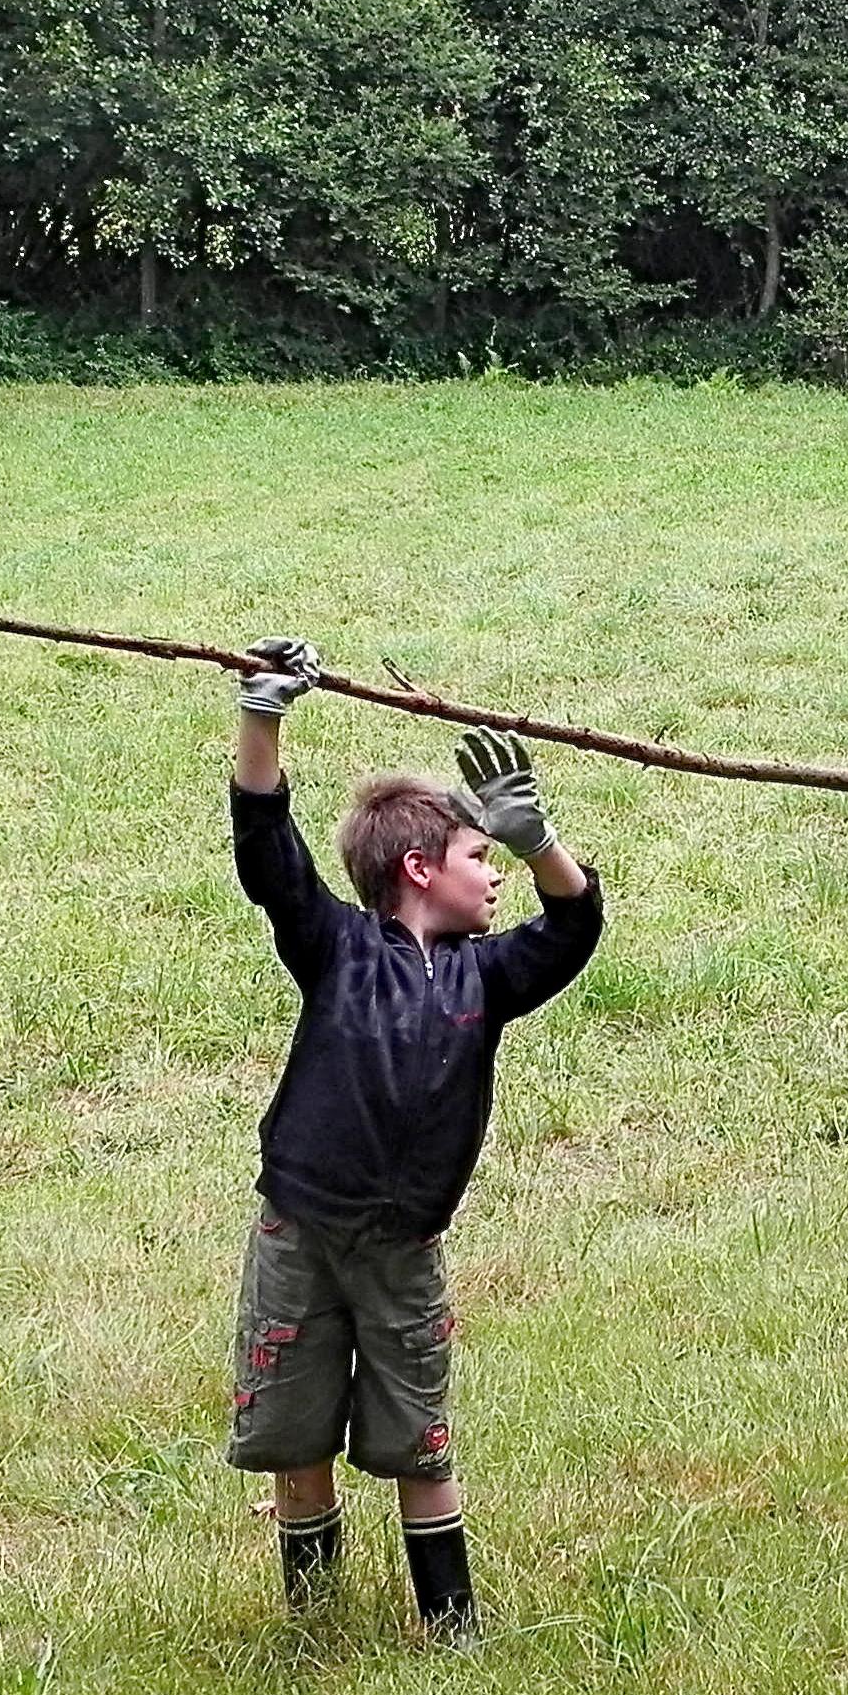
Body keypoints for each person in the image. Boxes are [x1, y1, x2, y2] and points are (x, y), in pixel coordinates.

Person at [223, 639, 603, 1639]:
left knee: (418, 1434)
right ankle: (313, 1616)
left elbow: (574, 928)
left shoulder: (489, 975)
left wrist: (538, 841)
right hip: (302, 1232)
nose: (497, 875)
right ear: (419, 868)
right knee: (296, 1428)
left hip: (405, 1248)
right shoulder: (337, 947)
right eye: (482, 857)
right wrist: (263, 716)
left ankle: (451, 1625)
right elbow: (267, 852)